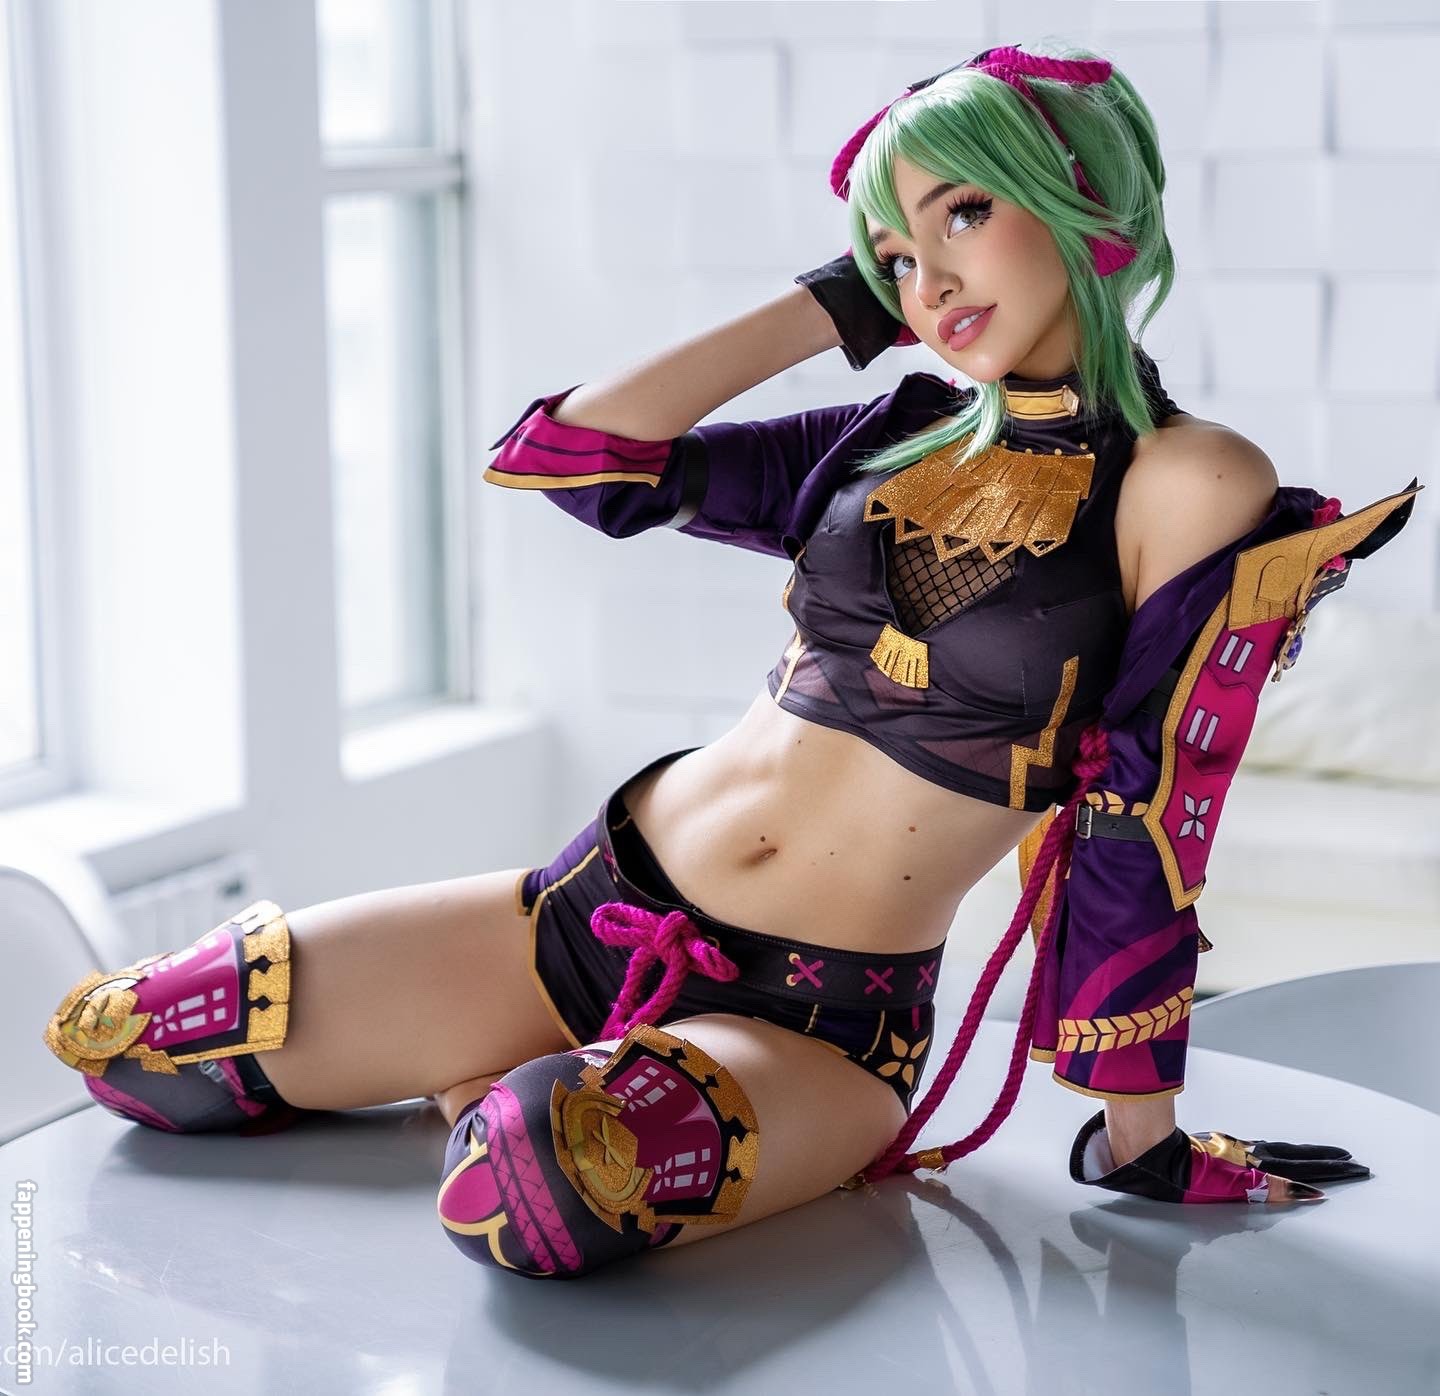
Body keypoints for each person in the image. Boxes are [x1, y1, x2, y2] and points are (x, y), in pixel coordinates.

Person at [44, 43, 1415, 1279]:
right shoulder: (889, 434)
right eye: (894, 252)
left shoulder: (1189, 480)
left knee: (540, 1185)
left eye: (964, 213)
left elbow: (1145, 811)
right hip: (577, 915)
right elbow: (573, 460)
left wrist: (1140, 1136)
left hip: (812, 1023)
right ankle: (518, 1061)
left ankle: (539, 1090)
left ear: (1085, 208)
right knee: (140, 1041)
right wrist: (831, 306)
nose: (929, 281)